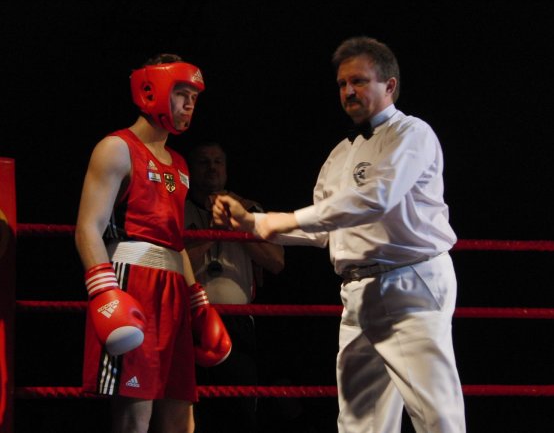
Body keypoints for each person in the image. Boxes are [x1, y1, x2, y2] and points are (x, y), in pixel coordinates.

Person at [212, 37, 466, 433]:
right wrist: (254, 224)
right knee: (359, 419)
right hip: (357, 290)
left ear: (390, 85)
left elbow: (376, 199)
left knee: (435, 413)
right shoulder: (338, 155)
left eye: (359, 81)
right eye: (343, 83)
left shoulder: (412, 134)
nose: (348, 91)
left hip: (409, 281)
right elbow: (323, 231)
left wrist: (280, 221)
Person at [74, 53, 231, 433]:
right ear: (151, 90)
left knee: (181, 413)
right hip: (131, 283)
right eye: (181, 93)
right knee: (135, 415)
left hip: (173, 289)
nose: (189, 104)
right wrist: (104, 292)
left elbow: (175, 242)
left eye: (194, 97)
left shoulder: (179, 163)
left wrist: (198, 301)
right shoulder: (116, 148)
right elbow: (87, 227)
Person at [184, 140, 284, 433]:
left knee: (240, 412)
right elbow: (173, 263)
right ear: (191, 169)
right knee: (192, 412)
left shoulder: (249, 210)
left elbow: (276, 262)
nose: (212, 168)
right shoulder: (176, 208)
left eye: (218, 162)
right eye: (204, 162)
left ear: (226, 169)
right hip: (189, 319)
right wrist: (212, 233)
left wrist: (238, 227)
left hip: (237, 322)